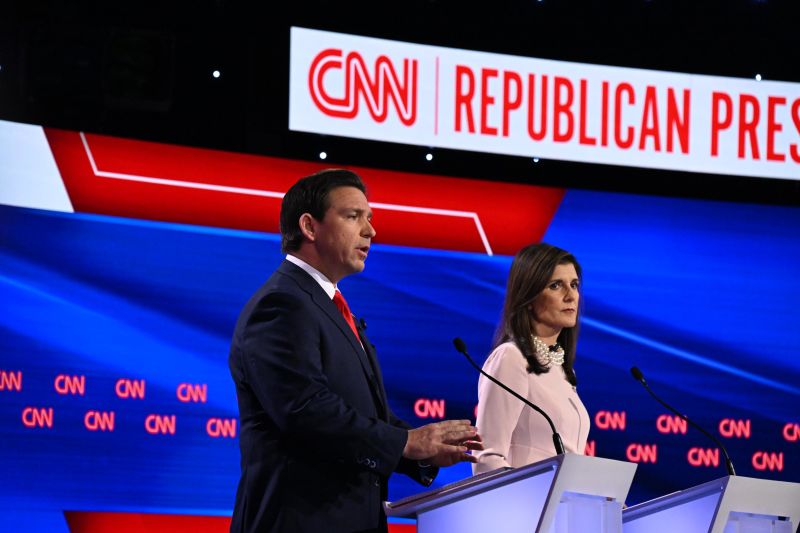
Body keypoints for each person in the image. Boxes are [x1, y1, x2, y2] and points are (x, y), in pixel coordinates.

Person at [229, 168, 482, 533]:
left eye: (370, 219)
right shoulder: (281, 304)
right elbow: (306, 411)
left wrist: (423, 451)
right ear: (310, 227)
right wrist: (406, 443)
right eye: (353, 216)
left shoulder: (326, 305)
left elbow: (362, 413)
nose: (370, 231)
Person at [472, 242, 590, 474]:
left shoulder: (564, 371)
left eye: (574, 285)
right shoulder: (511, 358)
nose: (570, 296)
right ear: (528, 297)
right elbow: (488, 458)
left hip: (563, 507)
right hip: (528, 507)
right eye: (556, 285)